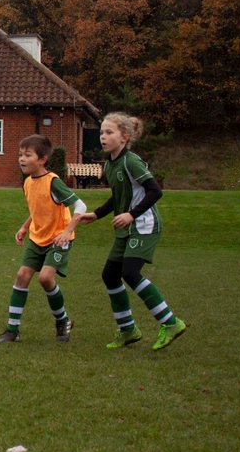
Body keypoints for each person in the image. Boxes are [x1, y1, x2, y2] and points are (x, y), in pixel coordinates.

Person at [75, 112, 187, 351]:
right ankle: (128, 330)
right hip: (127, 228)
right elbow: (119, 196)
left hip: (144, 226)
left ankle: (170, 322)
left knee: (130, 272)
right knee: (110, 275)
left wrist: (131, 214)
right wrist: (96, 214)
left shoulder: (130, 161)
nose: (103, 137)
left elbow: (155, 191)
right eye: (102, 132)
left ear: (124, 137)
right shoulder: (111, 164)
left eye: (109, 132)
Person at [0, 135, 86, 344]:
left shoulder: (54, 182)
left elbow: (80, 206)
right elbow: (38, 208)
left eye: (27, 155)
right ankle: (12, 330)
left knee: (45, 278)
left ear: (42, 159)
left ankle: (62, 321)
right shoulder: (28, 182)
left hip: (59, 239)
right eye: (20, 155)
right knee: (22, 276)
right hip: (38, 238)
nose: (21, 159)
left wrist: (67, 232)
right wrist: (25, 226)